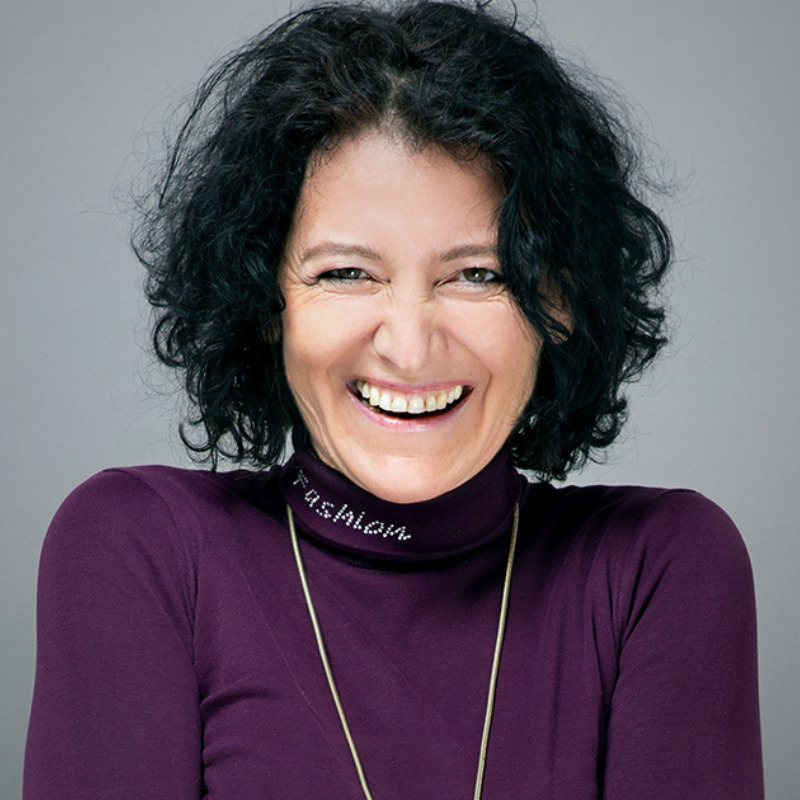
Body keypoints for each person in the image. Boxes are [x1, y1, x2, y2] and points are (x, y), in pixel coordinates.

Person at [23, 2, 763, 798]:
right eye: (346, 273)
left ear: (559, 302)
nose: (410, 348)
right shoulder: (141, 549)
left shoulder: (659, 566)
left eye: (478, 274)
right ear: (264, 301)